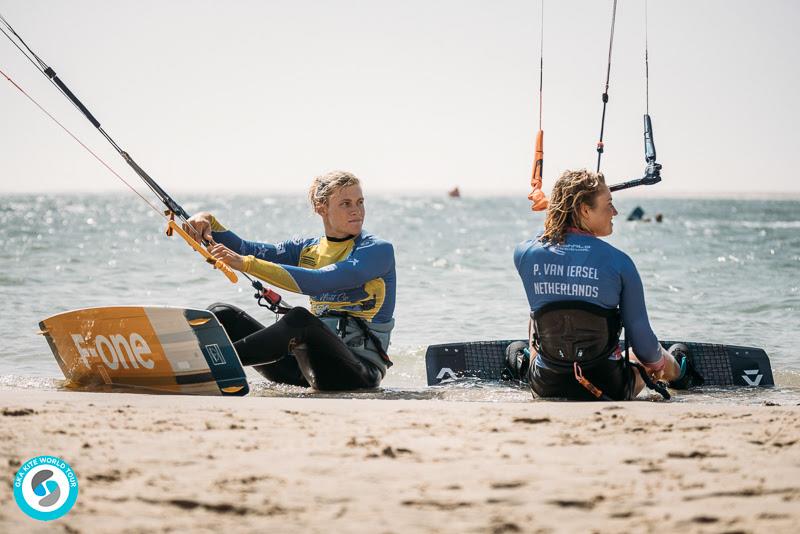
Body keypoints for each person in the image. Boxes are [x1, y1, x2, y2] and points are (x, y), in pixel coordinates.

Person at [184, 171, 396, 391]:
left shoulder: (376, 250)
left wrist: (245, 264)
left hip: (358, 373)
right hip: (306, 369)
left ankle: (207, 366)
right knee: (221, 313)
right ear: (321, 207)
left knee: (300, 319)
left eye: (360, 202)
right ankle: (176, 360)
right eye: (345, 203)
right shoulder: (308, 248)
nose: (357, 211)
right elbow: (245, 248)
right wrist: (207, 220)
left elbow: (319, 282)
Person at [510, 169, 698, 400]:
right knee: (650, 357)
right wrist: (658, 364)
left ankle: (523, 360)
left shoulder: (524, 254)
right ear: (584, 210)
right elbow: (644, 346)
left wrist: (561, 215)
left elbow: (545, 238)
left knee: (537, 313)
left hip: (546, 385)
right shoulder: (620, 263)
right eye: (609, 203)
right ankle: (681, 373)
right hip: (609, 387)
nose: (615, 212)